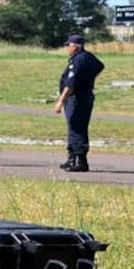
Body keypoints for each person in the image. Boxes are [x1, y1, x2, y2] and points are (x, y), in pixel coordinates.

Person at [54, 34, 104, 172]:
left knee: (77, 127)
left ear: (75, 47)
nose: (66, 48)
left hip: (77, 97)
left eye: (68, 45)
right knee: (74, 126)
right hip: (84, 95)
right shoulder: (87, 57)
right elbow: (100, 66)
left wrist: (60, 101)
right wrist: (88, 78)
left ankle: (80, 161)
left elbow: (70, 83)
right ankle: (71, 158)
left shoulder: (78, 60)